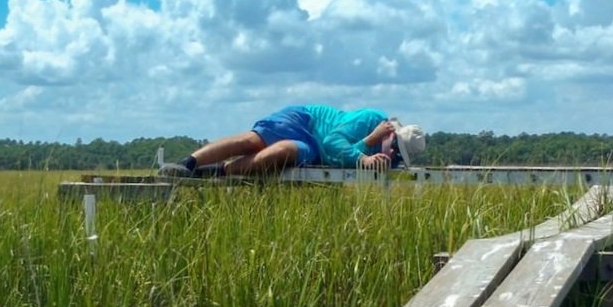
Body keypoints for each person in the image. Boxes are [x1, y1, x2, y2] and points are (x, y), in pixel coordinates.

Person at [158, 104, 426, 177]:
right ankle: (190, 163)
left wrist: (365, 155)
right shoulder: (371, 118)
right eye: (396, 150)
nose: (394, 157)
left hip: (314, 148)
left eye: (399, 158)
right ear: (391, 133)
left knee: (282, 151)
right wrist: (367, 145)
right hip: (307, 121)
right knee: (255, 141)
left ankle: (217, 171)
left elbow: (334, 157)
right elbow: (334, 140)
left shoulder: (383, 158)